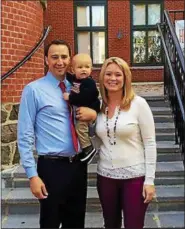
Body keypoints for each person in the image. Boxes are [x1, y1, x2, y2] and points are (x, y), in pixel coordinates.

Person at [17, 39, 97, 228]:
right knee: (50, 223)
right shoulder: (33, 90)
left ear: (70, 59)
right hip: (51, 168)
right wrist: (32, 175)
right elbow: (25, 136)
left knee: (76, 223)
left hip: (77, 166)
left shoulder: (79, 86)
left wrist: (93, 115)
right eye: (54, 57)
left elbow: (92, 124)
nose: (59, 62)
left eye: (63, 57)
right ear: (46, 60)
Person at [95, 57, 157, 229]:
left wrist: (149, 180)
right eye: (108, 74)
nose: (112, 78)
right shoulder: (99, 106)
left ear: (126, 78)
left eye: (118, 74)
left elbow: (150, 143)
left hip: (135, 178)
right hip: (105, 176)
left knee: (134, 225)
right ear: (102, 77)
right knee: (110, 224)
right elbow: (100, 140)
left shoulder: (139, 104)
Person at [63, 53, 100, 164]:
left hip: (88, 109)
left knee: (81, 129)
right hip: (81, 111)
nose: (84, 70)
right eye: (80, 67)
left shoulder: (89, 82)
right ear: (73, 70)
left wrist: (70, 97)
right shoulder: (76, 79)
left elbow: (84, 97)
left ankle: (88, 148)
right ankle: (84, 149)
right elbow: (68, 76)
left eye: (87, 67)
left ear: (91, 69)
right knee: (79, 129)